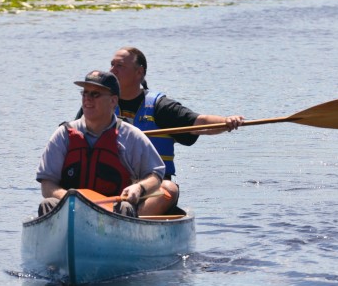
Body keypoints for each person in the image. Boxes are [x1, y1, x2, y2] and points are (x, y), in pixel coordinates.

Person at [76, 47, 244, 215]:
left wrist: (226, 121)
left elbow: (200, 122)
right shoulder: (99, 104)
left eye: (119, 66)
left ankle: (132, 221)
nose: (112, 70)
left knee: (169, 189)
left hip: (151, 189)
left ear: (139, 73)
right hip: (106, 183)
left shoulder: (160, 107)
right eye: (111, 65)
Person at [36, 70, 166, 218]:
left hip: (114, 211)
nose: (87, 99)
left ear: (113, 101)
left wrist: (139, 187)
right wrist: (69, 199)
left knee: (125, 207)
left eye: (95, 94)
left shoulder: (132, 136)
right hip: (71, 210)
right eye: (85, 93)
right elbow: (47, 184)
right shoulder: (63, 134)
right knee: (47, 204)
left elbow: (155, 175)